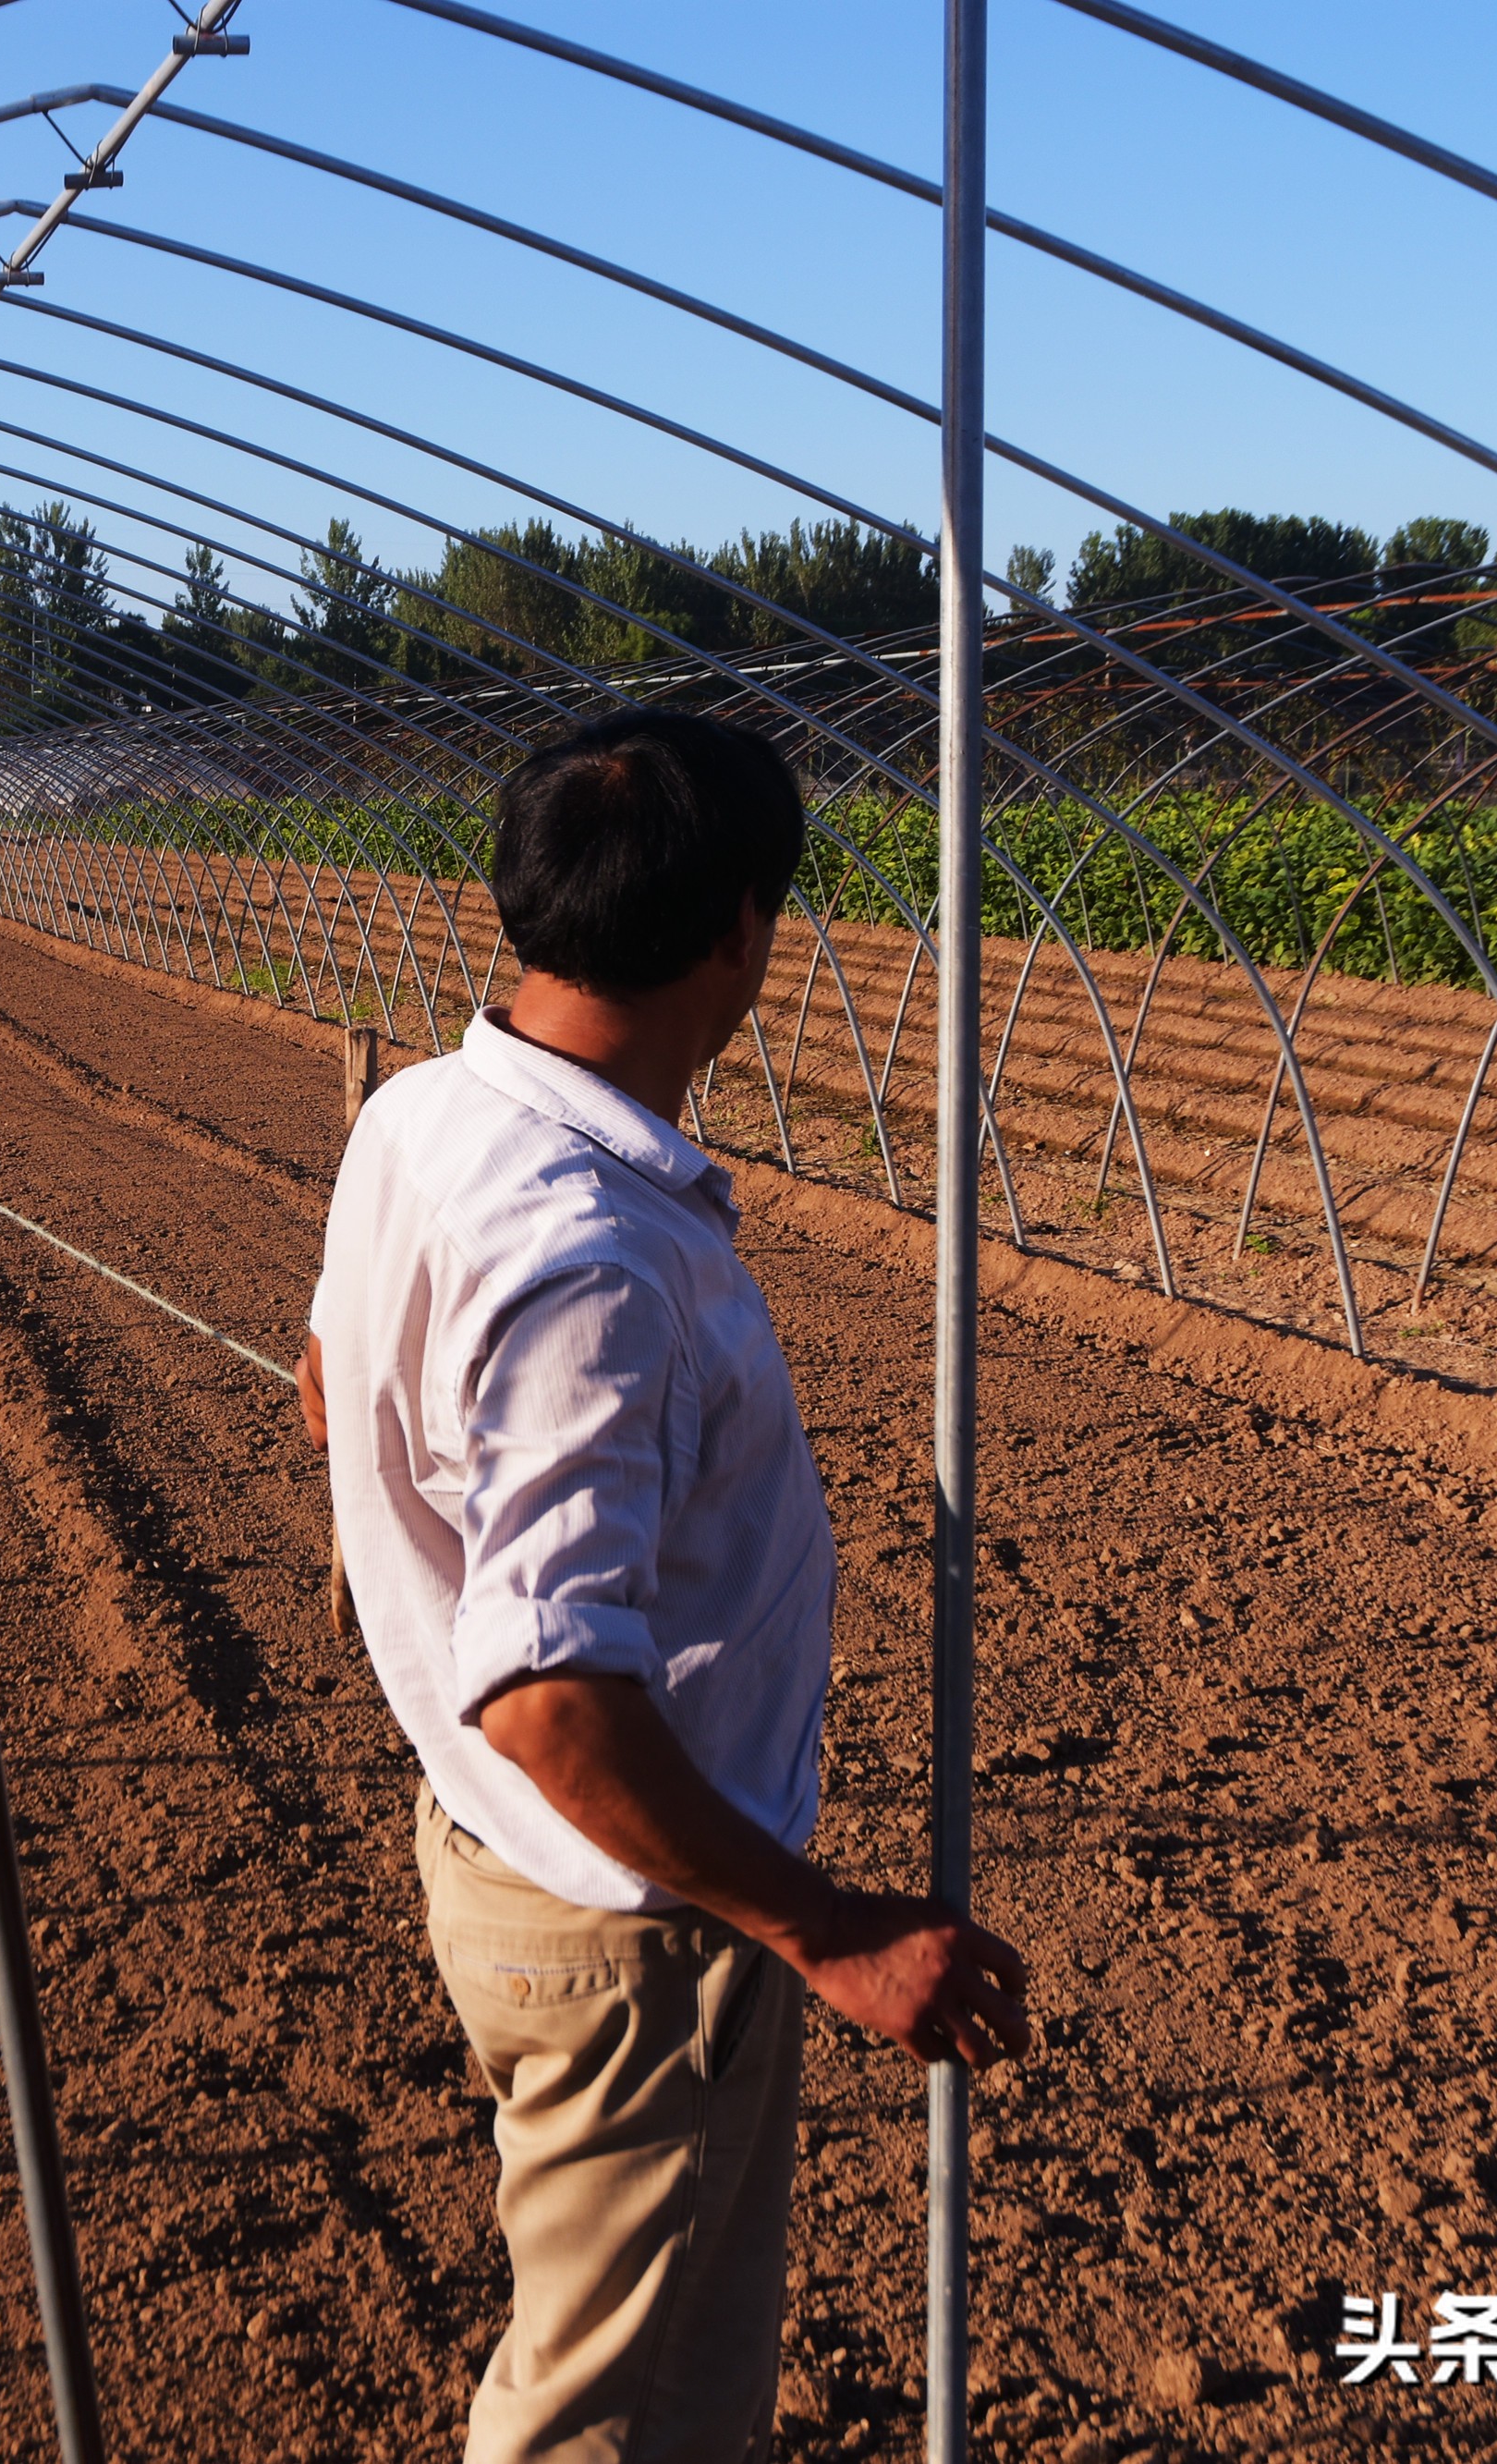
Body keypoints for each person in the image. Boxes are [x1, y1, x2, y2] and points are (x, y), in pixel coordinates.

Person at [301, 710, 1032, 2464]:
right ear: (738, 932)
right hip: (630, 1936)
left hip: (520, 1864)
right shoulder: (591, 1258)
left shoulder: (419, 1111)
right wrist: (837, 1930)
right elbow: (551, 1691)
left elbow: (334, 1371)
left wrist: (388, 1547)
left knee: (688, 2393)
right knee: (599, 2417)